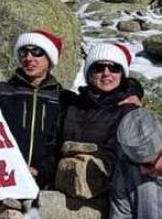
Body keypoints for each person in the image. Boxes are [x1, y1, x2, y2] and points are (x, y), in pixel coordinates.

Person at [0, 30, 69, 188]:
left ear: (50, 59)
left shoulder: (64, 98)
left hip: (46, 184)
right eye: (23, 52)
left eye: (37, 52)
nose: (29, 58)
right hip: (3, 180)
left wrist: (42, 170)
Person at [59, 42, 144, 176]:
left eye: (114, 68)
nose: (106, 73)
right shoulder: (72, 106)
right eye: (99, 68)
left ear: (122, 74)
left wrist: (94, 163)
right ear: (89, 73)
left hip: (108, 185)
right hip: (62, 181)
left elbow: (123, 155)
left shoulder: (129, 110)